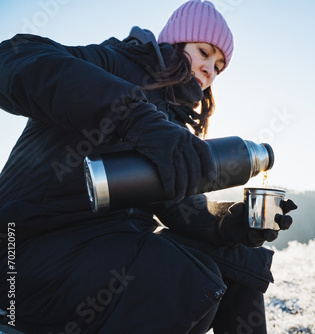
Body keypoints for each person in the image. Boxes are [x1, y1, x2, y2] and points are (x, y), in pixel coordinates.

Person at [0, 0, 297, 333]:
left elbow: (178, 209)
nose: (209, 70)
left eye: (218, 66)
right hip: (22, 254)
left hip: (105, 245)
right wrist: (133, 117)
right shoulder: (116, 63)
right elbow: (13, 57)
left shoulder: (172, 126)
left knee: (240, 260)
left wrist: (229, 224)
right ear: (175, 41)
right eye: (204, 52)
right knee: (180, 278)